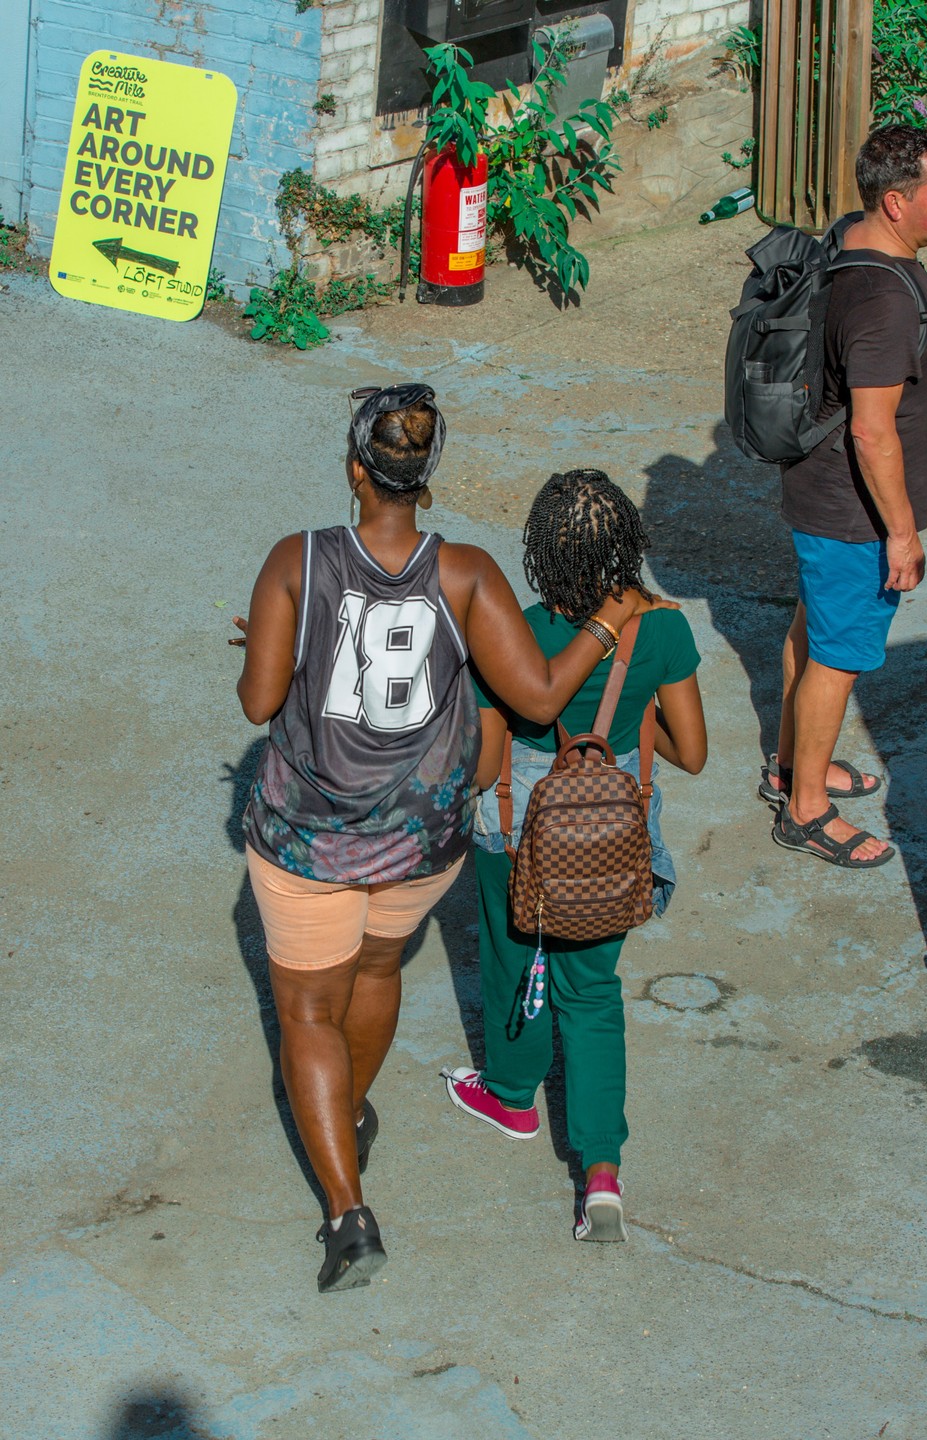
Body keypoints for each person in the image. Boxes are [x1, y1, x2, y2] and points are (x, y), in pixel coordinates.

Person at [234, 387, 663, 1292]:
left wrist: (268, 645)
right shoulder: (464, 573)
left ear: (357, 469)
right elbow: (541, 697)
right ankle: (345, 1114)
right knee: (378, 972)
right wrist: (607, 619)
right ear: (425, 479)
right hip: (419, 845)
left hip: (309, 839)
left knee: (308, 1011)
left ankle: (347, 1213)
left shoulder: (295, 561)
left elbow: (260, 701)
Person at [442, 468, 707, 1243]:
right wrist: (633, 717)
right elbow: (690, 753)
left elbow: (488, 770)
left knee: (513, 958)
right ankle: (601, 1173)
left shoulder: (511, 632)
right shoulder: (662, 629)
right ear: (628, 542)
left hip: (519, 833)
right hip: (612, 840)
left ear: (537, 555)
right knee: (591, 992)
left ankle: (513, 1095)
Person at [763, 122, 927, 868]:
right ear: (893, 201)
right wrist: (902, 533)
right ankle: (806, 809)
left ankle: (792, 768)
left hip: (825, 501)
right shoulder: (881, 302)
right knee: (839, 656)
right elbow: (873, 435)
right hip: (854, 515)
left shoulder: (852, 239)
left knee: (813, 634)